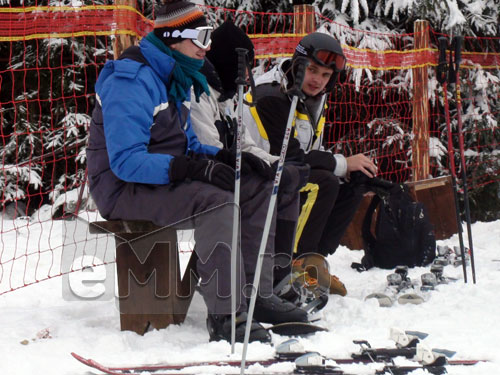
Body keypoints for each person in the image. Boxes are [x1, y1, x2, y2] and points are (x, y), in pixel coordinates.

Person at [86, 0, 304, 344]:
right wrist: (194, 169)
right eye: (200, 37)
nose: (207, 47)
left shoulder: (176, 75)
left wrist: (228, 157)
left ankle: (256, 296)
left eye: (208, 37)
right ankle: (225, 314)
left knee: (257, 185)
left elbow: (186, 144)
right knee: (215, 202)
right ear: (174, 38)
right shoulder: (131, 80)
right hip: (122, 188)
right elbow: (126, 161)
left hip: (162, 177)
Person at [189, 21, 313, 321]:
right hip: (202, 176)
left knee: (281, 183)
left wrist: (275, 165)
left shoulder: (225, 97)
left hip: (223, 171)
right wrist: (248, 163)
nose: (246, 76)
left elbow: (243, 141)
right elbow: (208, 145)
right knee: (260, 189)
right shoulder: (199, 94)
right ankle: (254, 292)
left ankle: (273, 280)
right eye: (242, 67)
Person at [241, 32, 378, 296]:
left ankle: (315, 264)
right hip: (254, 176)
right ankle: (293, 267)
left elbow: (310, 151)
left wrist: (347, 169)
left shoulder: (311, 97)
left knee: (351, 184)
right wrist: (340, 163)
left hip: (284, 173)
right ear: (296, 64)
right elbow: (290, 155)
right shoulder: (272, 95)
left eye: (326, 76)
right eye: (312, 70)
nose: (317, 80)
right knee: (322, 183)